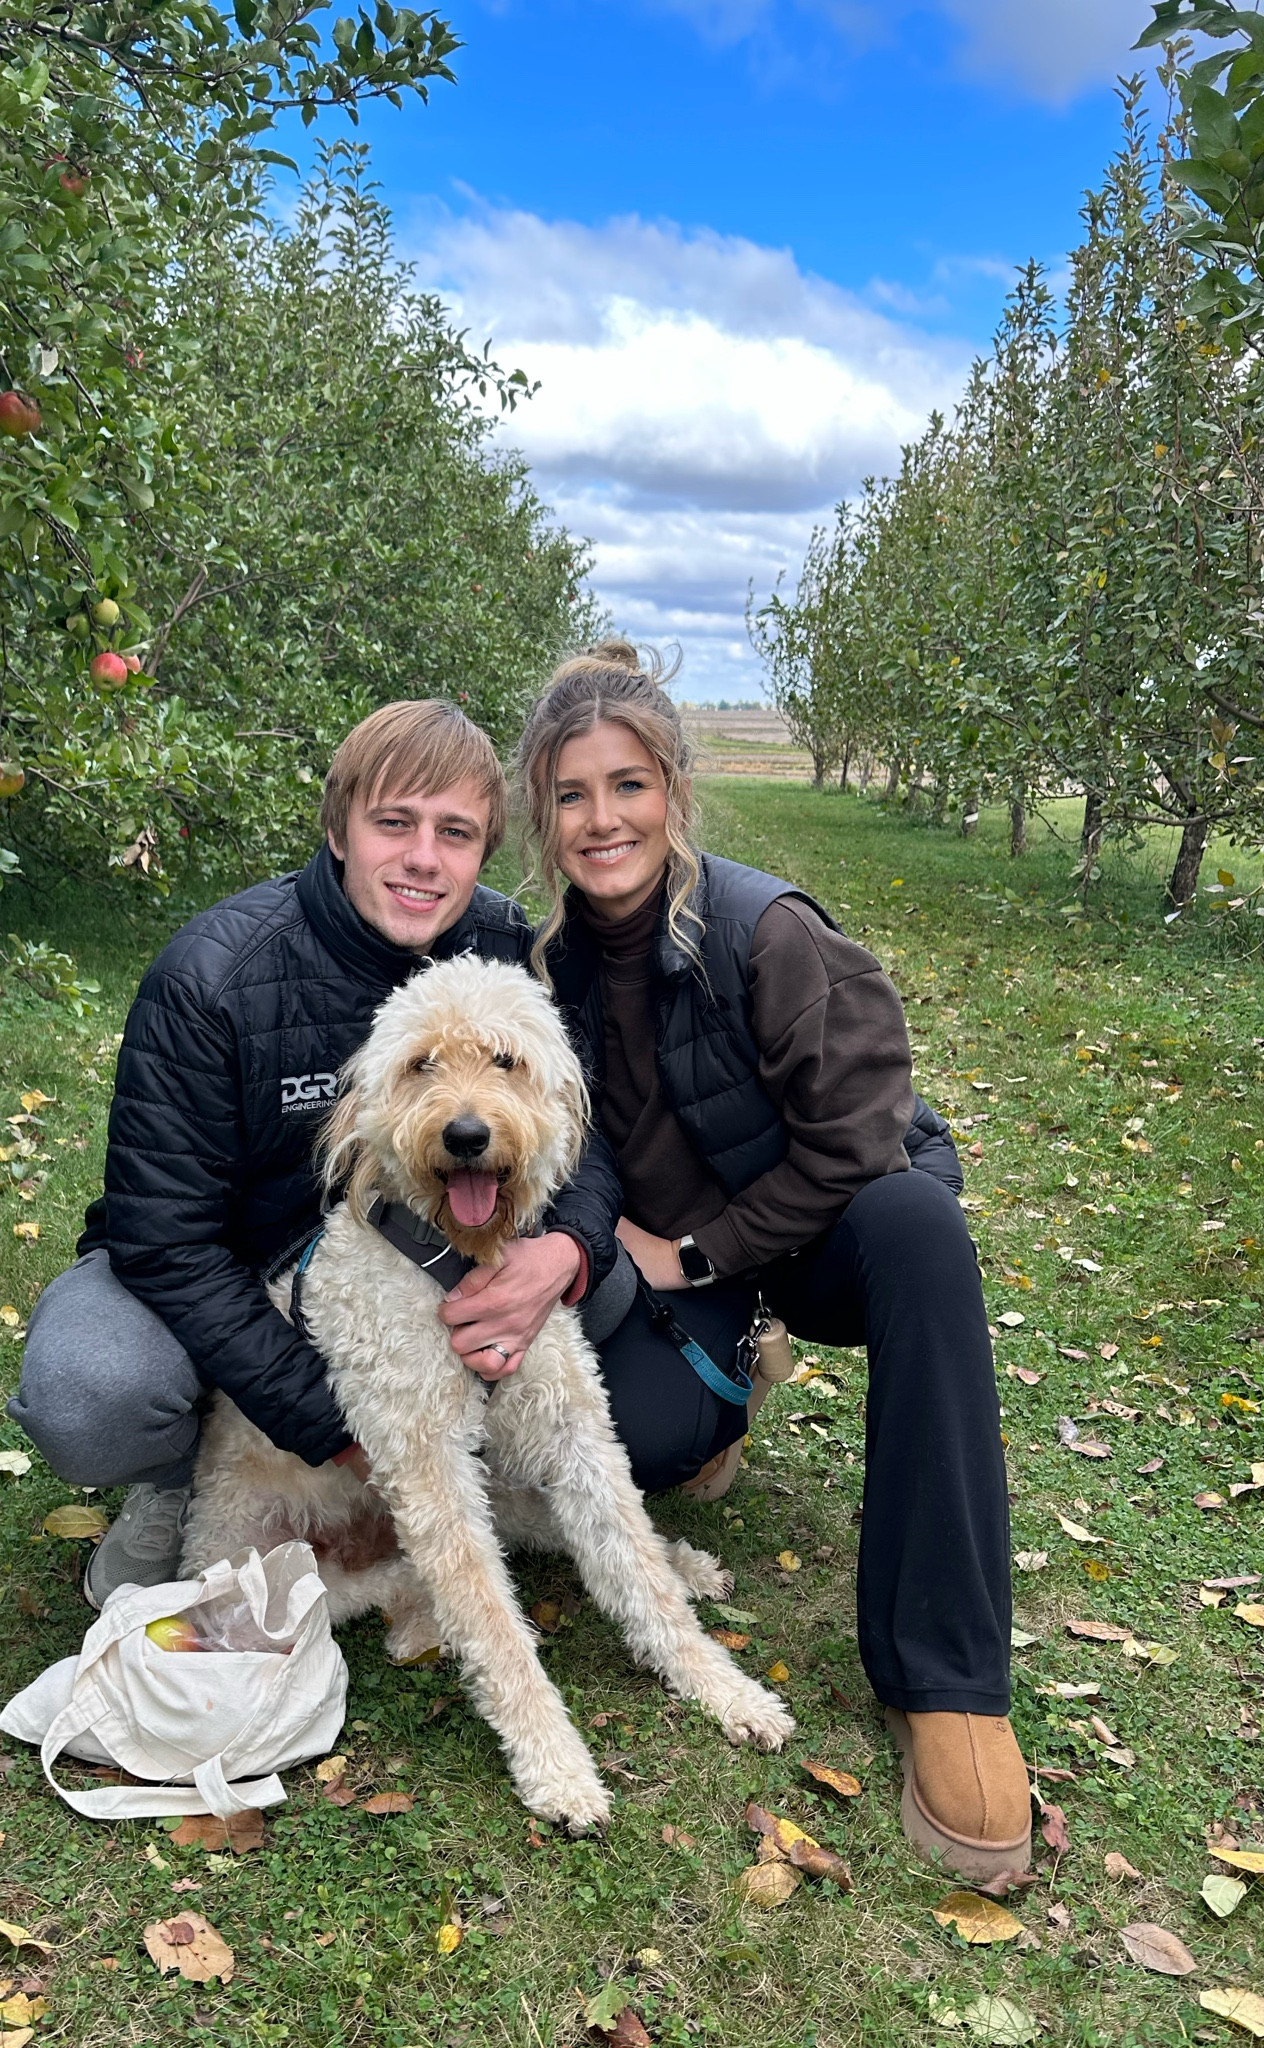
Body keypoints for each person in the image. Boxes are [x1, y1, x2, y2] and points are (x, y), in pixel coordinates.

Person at [503, 639, 1030, 1882]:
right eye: (572, 793)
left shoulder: (766, 927)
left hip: (831, 1232)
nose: (602, 817)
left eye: (628, 784)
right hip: (702, 1270)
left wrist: (694, 1250)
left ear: (674, 791)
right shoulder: (550, 969)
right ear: (542, 812)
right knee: (634, 1443)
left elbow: (861, 1141)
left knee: (922, 1232)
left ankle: (948, 1680)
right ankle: (727, 1396)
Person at [9, 699, 622, 1609]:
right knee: (92, 1389)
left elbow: (582, 1126)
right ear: (339, 829)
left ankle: (462, 1469)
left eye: (454, 832)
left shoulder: (509, 949)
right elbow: (163, 1242)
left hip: (411, 1260)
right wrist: (339, 1426)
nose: (423, 857)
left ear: (483, 849)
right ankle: (181, 1486)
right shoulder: (209, 978)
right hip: (228, 1266)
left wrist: (566, 1248)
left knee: (602, 1287)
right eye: (394, 823)